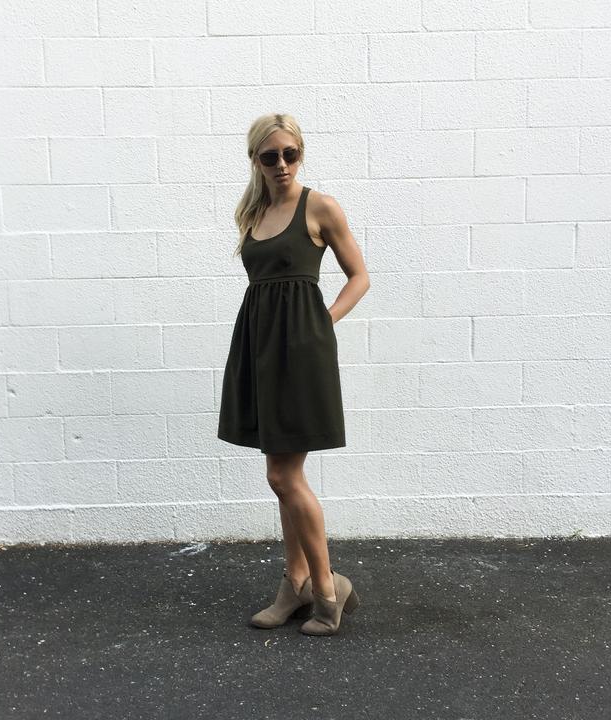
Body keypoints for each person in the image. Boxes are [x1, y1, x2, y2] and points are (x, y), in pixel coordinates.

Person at [217, 113, 371, 635]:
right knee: (282, 476)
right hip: (260, 346)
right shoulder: (253, 212)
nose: (282, 164)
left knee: (283, 476)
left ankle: (326, 589)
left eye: (290, 154)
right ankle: (296, 583)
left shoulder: (320, 207)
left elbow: (359, 276)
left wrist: (322, 323)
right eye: (270, 156)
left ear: (300, 154)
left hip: (301, 349)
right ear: (255, 160)